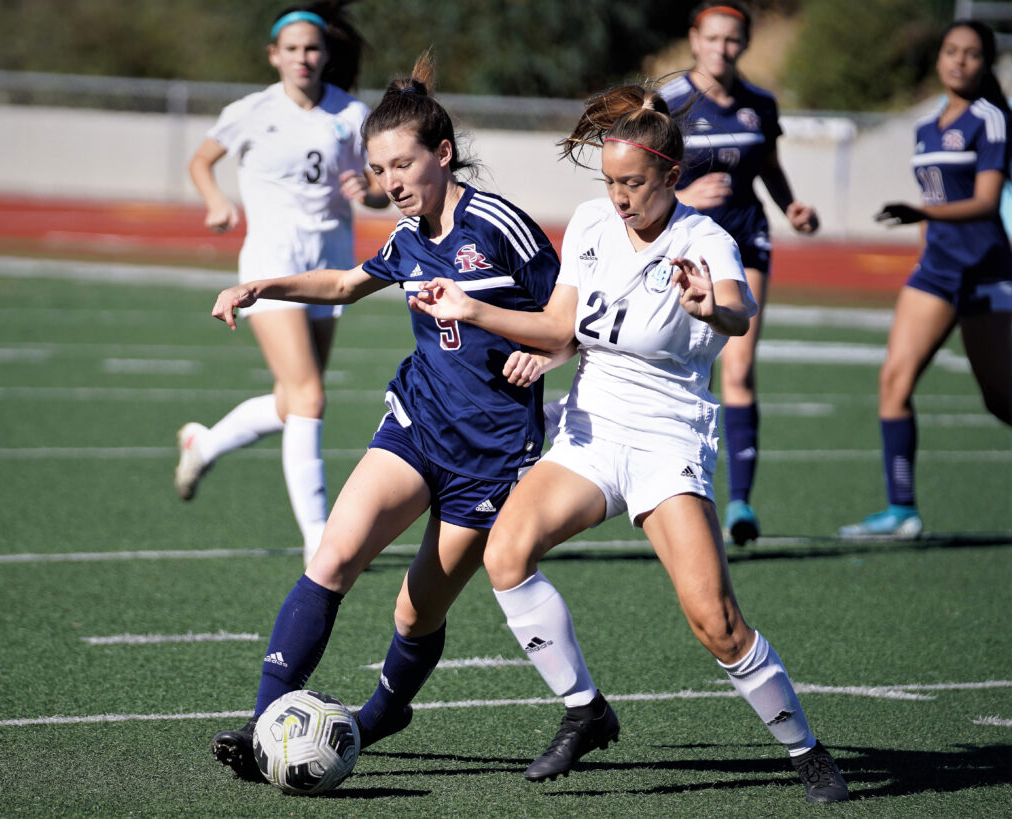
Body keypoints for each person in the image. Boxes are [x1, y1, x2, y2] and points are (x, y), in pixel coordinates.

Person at [409, 83, 849, 803]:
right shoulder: (587, 222)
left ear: (671, 177)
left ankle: (805, 749)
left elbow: (739, 308)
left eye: (634, 183)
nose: (618, 197)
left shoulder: (703, 240)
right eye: (610, 181)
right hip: (590, 430)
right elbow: (558, 330)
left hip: (665, 439)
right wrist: (472, 309)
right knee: (506, 551)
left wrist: (715, 306)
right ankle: (586, 710)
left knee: (717, 622)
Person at [207, 51, 562, 783]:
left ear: (443, 153)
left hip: (492, 454)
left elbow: (574, 311)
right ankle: (262, 724)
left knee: (413, 613)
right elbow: (343, 280)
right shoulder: (405, 238)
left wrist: (551, 357)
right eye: (379, 170)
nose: (391, 182)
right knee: (333, 558)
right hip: (417, 425)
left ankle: (385, 709)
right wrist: (262, 283)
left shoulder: (500, 225)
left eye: (403, 165)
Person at [177, 2, 389, 565]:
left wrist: (366, 192)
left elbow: (380, 185)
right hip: (269, 265)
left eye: (312, 48)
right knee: (311, 396)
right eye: (292, 48)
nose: (303, 57)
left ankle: (205, 442)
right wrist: (217, 200)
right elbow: (202, 161)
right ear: (274, 55)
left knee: (293, 399)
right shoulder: (250, 111)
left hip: (330, 268)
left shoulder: (352, 113)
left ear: (326, 55)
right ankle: (319, 539)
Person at [840, 19, 1012, 539]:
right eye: (951, 51)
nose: (960, 61)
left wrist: (922, 213)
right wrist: (925, 234)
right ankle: (902, 511)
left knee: (1001, 400)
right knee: (894, 380)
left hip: (986, 273)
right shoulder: (925, 127)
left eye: (972, 54)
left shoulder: (993, 120)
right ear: (939, 59)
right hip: (936, 272)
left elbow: (985, 202)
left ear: (986, 64)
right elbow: (935, 204)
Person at [659, 0, 819, 546]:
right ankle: (678, 488)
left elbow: (769, 169)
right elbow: (638, 175)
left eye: (733, 40)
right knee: (680, 362)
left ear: (743, 44)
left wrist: (792, 206)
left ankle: (741, 505)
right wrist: (683, 194)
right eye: (713, 38)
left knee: (740, 362)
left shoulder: (760, 104)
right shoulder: (669, 102)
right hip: (683, 245)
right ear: (694, 39)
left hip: (745, 242)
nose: (723, 49)